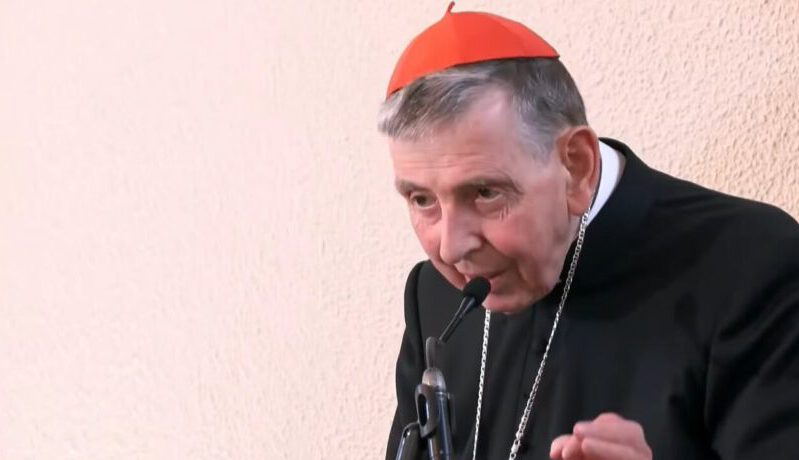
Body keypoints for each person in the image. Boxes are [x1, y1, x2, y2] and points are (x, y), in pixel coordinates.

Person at [378, 4, 799, 460]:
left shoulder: (753, 264)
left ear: (575, 166)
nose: (451, 246)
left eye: (484, 193)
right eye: (422, 199)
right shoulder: (433, 296)